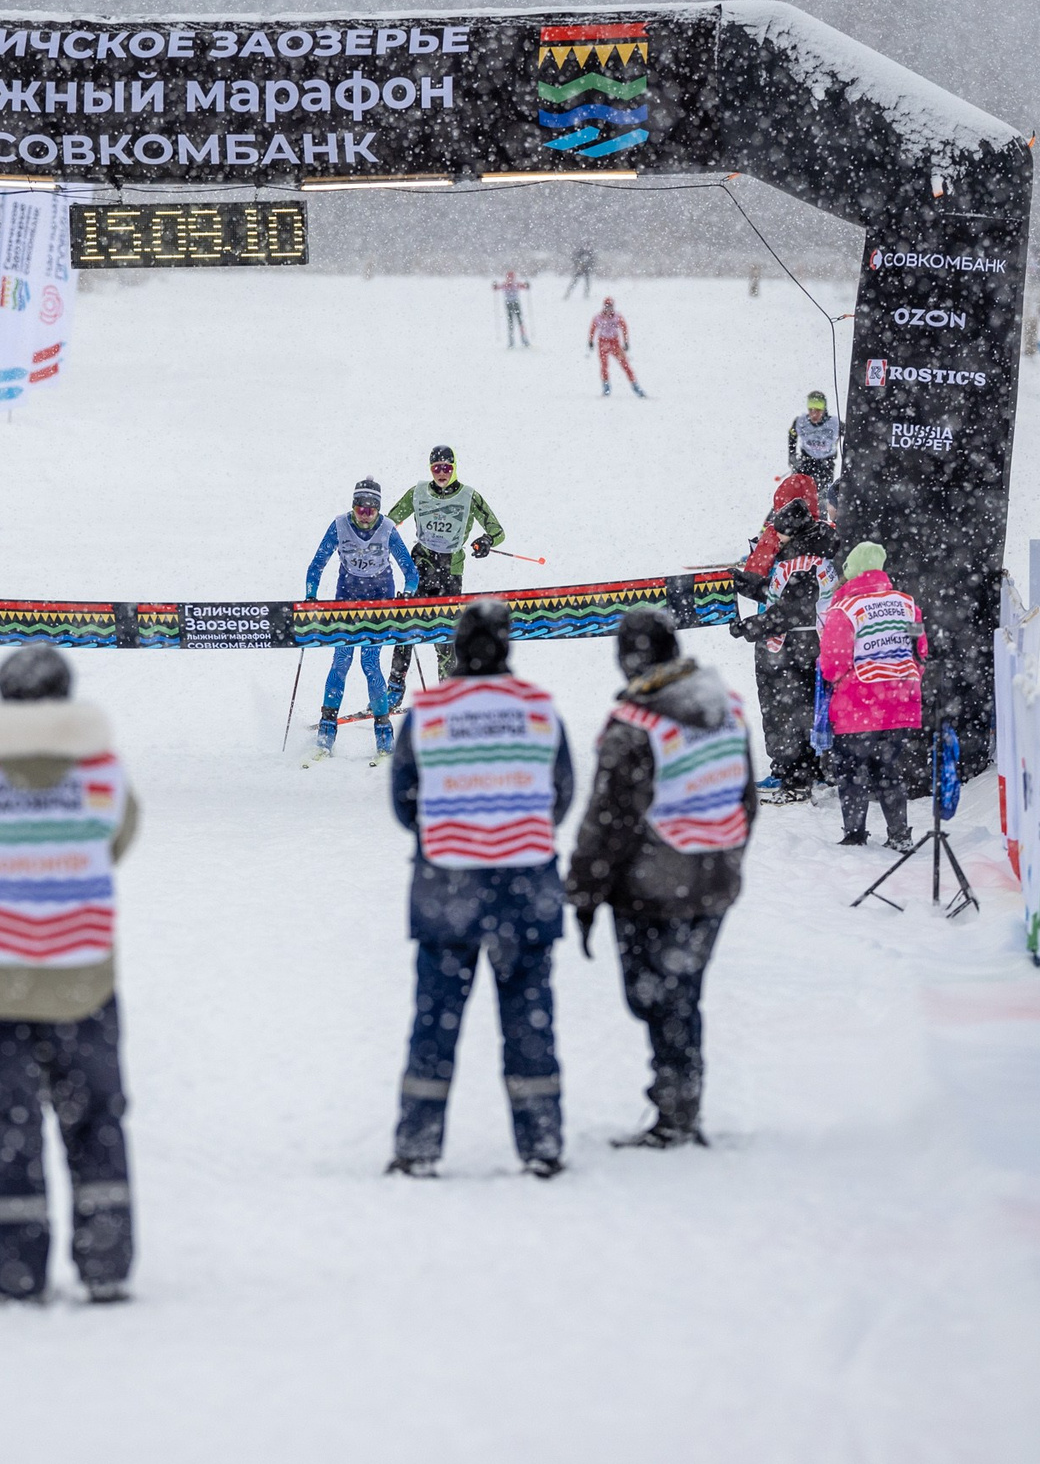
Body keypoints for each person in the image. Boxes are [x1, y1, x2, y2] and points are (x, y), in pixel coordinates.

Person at [0, 644, 140, 1304]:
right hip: (80, 975)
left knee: (5, 1119)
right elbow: (118, 838)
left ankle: (19, 1271)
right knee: (95, 1117)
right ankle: (105, 1264)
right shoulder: (101, 769)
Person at [387, 598, 574, 1179]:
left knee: (435, 1021)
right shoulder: (539, 709)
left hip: (448, 888)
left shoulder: (431, 711)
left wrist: (454, 830)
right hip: (527, 887)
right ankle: (541, 1142)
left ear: (459, 647)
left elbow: (403, 800)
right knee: (529, 1018)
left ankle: (418, 1146)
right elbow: (560, 795)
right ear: (507, 646)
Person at [566, 608, 756, 1148]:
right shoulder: (727, 707)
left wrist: (584, 894)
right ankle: (681, 1101)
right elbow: (746, 798)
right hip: (714, 878)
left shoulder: (635, 726)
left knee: (656, 995)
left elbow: (607, 822)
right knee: (682, 991)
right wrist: (732, 857)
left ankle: (675, 1108)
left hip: (653, 888)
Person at [730, 476, 838, 803]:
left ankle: (793, 776)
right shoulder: (818, 537)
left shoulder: (804, 548)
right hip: (814, 640)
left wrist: (752, 628)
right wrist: (751, 586)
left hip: (793, 644)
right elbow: (784, 591)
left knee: (787, 708)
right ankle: (810, 767)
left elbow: (793, 608)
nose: (773, 533)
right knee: (808, 706)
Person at [818, 540, 926, 851]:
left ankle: (855, 834)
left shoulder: (845, 609)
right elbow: (920, 651)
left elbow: (833, 663)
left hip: (857, 706)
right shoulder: (908, 605)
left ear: (852, 571)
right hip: (901, 704)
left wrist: (833, 679)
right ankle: (899, 834)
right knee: (888, 770)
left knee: (852, 771)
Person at [304, 477, 418, 762]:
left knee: (370, 663)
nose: (365, 514)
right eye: (360, 507)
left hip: (378, 604)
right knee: (341, 662)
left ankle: (384, 739)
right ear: (353, 506)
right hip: (347, 602)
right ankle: (325, 737)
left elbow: (411, 571)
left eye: (371, 509)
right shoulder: (339, 525)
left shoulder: (388, 528)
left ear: (378, 509)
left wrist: (408, 594)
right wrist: (310, 596)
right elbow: (317, 563)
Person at [386, 446, 507, 702]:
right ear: (431, 470)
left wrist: (486, 540)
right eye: (436, 468)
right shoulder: (418, 493)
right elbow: (389, 521)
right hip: (420, 564)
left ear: (454, 469)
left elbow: (498, 531)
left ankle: (448, 691)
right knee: (406, 626)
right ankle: (394, 689)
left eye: (447, 468)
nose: (442, 473)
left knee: (445, 634)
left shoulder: (468, 496)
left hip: (450, 569)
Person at [586, 297, 646, 397]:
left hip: (615, 343)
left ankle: (636, 386)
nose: (609, 309)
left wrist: (626, 342)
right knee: (604, 365)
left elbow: (624, 328)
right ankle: (606, 387)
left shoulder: (617, 317)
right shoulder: (598, 317)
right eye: (607, 307)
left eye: (610, 307)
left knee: (625, 365)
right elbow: (593, 328)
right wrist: (590, 341)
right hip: (603, 343)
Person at [788, 393, 840, 486]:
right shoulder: (801, 422)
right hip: (806, 461)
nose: (814, 414)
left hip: (826, 464)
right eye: (811, 410)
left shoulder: (834, 424)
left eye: (818, 410)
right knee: (798, 490)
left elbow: (851, 435)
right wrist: (792, 455)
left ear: (824, 410)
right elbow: (792, 435)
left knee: (822, 495)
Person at [491, 270, 532, 348]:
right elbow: (496, 288)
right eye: (509, 277)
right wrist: (495, 286)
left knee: (519, 322)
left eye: (512, 277)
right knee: (511, 323)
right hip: (509, 304)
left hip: (515, 304)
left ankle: (524, 340)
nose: (510, 279)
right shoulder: (506, 284)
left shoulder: (515, 284)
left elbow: (524, 287)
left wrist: (527, 285)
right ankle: (512, 341)